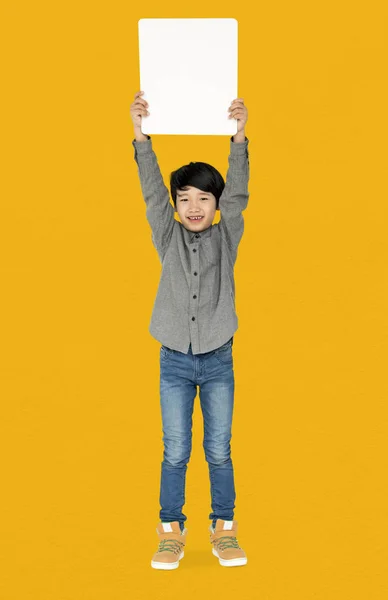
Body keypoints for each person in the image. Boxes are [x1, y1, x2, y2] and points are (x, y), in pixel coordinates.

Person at [130, 91, 250, 569]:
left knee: (218, 450)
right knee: (175, 449)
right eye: (186, 199)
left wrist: (238, 138)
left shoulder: (228, 233)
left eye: (204, 198)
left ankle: (224, 529)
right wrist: (140, 136)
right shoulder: (167, 232)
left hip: (219, 358)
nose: (194, 206)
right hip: (174, 359)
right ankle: (170, 532)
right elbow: (152, 190)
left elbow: (239, 193)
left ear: (217, 204)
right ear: (176, 205)